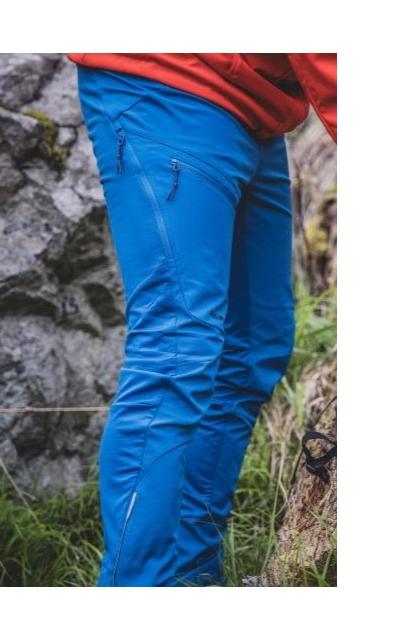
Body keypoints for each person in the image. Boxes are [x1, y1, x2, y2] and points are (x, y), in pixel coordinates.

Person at [67, 53, 337, 587]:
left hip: (255, 104)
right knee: (175, 351)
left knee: (255, 347)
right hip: (166, 81)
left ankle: (189, 576)